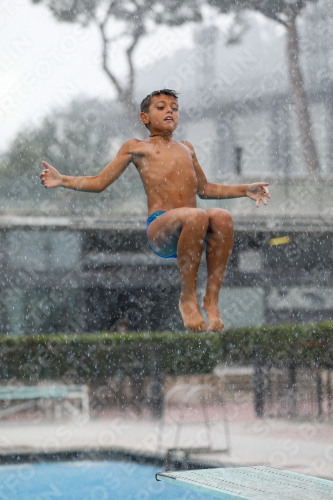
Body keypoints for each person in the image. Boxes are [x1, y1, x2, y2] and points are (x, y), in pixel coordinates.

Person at [40, 89, 270, 333]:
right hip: (162, 228)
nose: (169, 110)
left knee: (222, 216)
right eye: (161, 107)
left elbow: (205, 189)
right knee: (197, 215)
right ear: (145, 118)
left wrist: (245, 189)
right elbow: (99, 182)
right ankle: (187, 299)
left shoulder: (187, 148)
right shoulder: (137, 147)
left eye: (174, 107)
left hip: (194, 231)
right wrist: (62, 179)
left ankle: (211, 300)